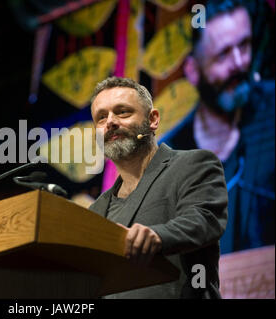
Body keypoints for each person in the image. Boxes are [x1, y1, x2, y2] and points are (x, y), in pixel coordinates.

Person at [89, 76, 228, 298]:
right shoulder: (94, 212)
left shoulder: (193, 165)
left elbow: (204, 219)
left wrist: (158, 236)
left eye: (122, 112)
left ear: (153, 119)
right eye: (101, 117)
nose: (110, 122)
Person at [160, 0, 275, 253]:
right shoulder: (171, 158)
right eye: (223, 54)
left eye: (244, 45)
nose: (239, 63)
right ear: (193, 71)